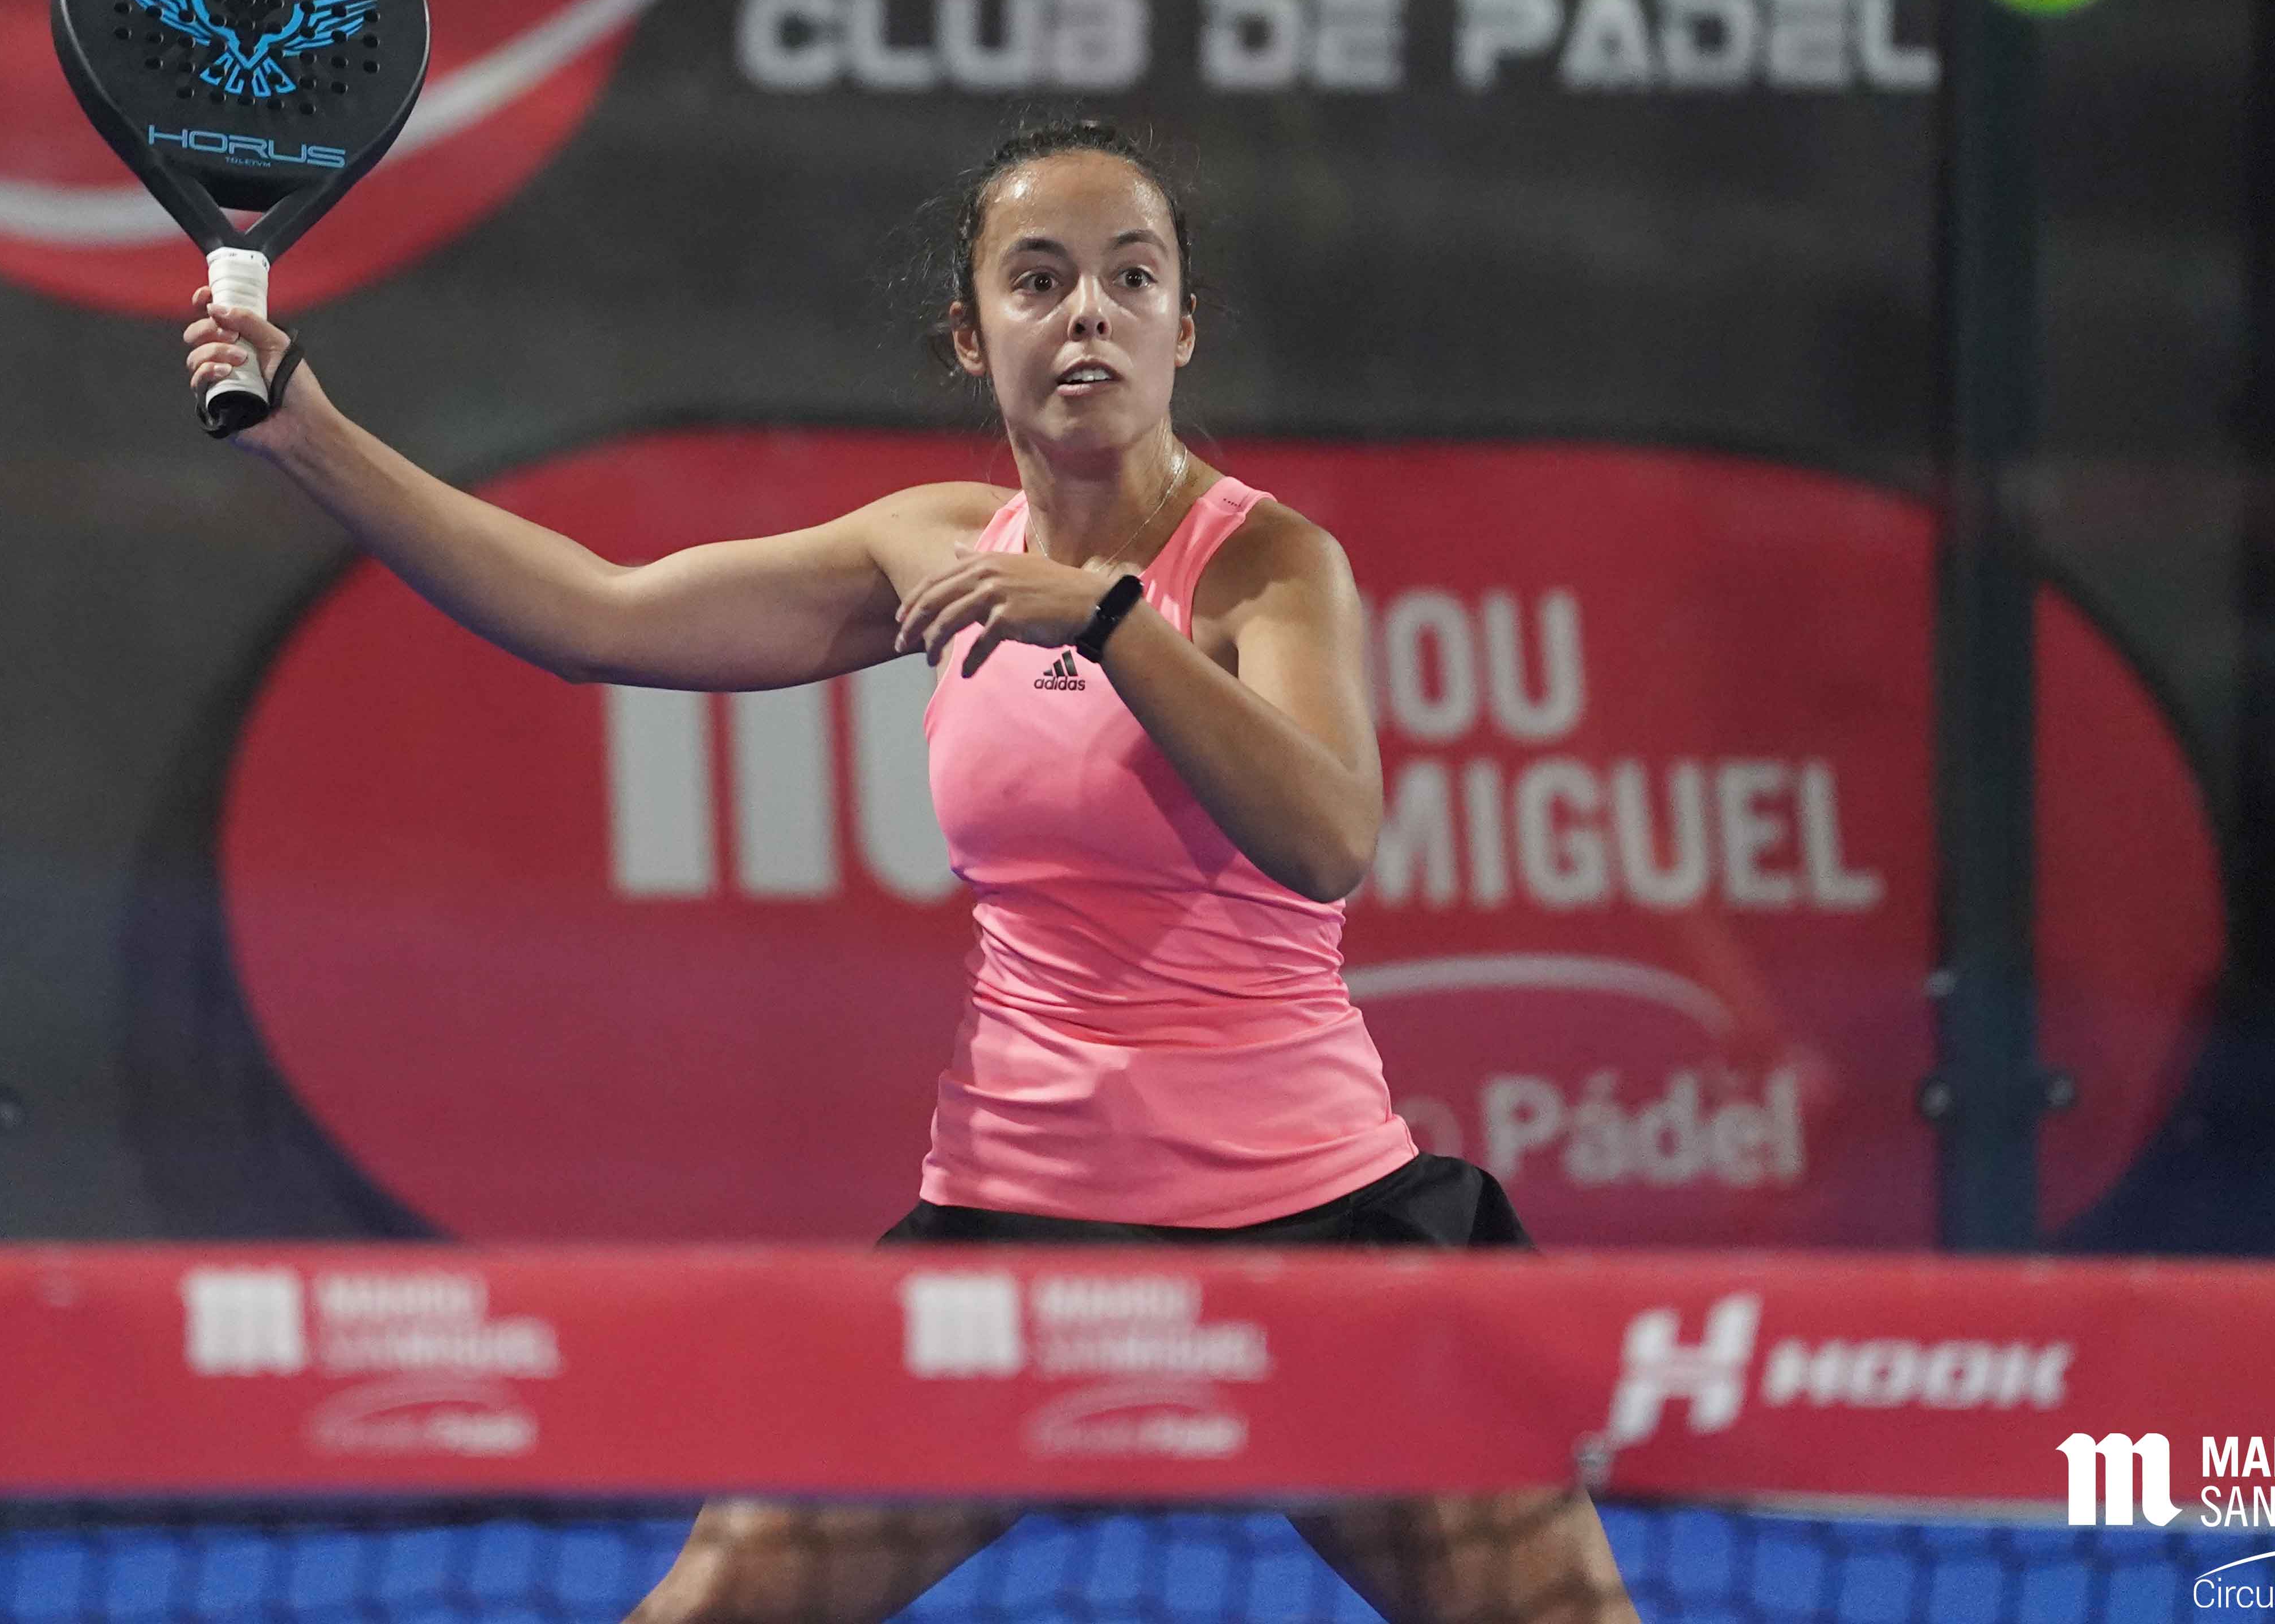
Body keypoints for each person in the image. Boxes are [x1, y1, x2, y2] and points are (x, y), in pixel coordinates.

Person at [181, 120, 1639, 1624]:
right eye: (1039, 279)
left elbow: (1328, 837)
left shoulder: (1270, 566)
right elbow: (598, 616)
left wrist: (1109, 621)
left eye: (1132, 278)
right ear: (971, 332)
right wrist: (312, 436)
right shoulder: (930, 549)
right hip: (1013, 1234)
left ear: (1183, 326)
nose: (1088, 313)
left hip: (1322, 1234)